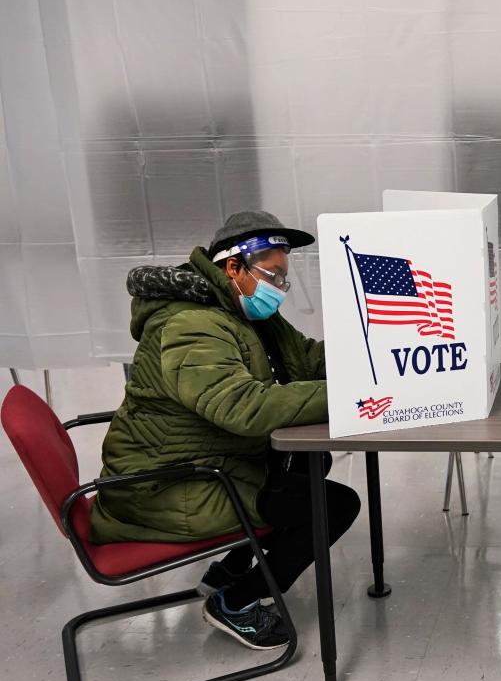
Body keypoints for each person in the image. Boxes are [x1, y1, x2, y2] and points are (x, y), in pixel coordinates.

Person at [93, 212, 359, 650]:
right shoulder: (190, 323)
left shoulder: (243, 312)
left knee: (312, 460)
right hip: (164, 483)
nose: (279, 287)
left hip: (209, 460)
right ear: (232, 268)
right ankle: (235, 601)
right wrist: (354, 393)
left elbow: (307, 360)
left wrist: (376, 354)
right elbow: (241, 406)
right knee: (333, 505)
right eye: (272, 274)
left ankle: (231, 568)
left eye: (283, 277)